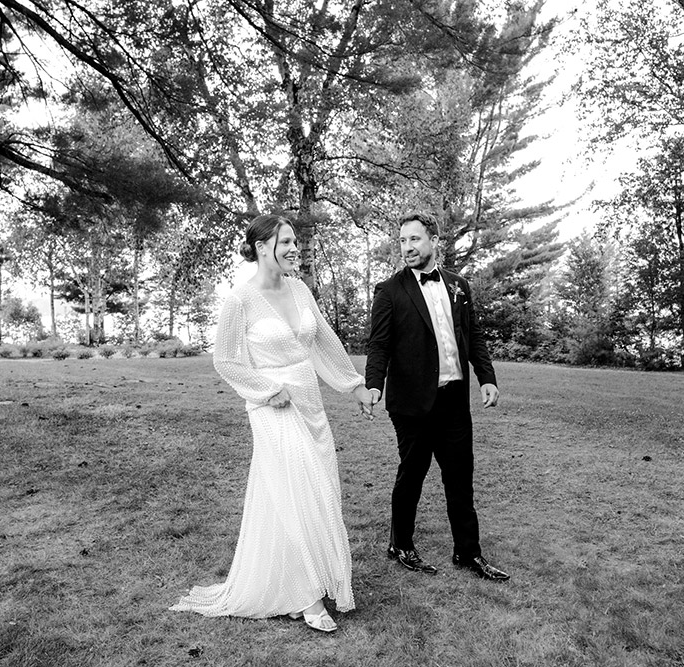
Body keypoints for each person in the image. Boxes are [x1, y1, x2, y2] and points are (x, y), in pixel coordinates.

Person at [171, 214, 374, 633]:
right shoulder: (240, 301)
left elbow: (323, 341)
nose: (294, 248)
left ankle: (307, 576)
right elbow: (225, 360)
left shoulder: (300, 289)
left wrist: (354, 387)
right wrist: (265, 389)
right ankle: (308, 598)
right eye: (285, 241)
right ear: (262, 247)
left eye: (295, 241)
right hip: (271, 408)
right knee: (294, 490)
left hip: (309, 403)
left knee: (317, 489)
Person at [364, 211, 510, 581]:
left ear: (433, 241)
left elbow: (473, 336)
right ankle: (401, 544)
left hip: (455, 400)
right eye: (402, 240)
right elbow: (378, 345)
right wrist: (373, 385)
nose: (407, 247)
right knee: (411, 475)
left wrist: (486, 378)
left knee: (461, 478)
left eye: (414, 239)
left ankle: (468, 553)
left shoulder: (459, 285)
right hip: (412, 403)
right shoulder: (390, 290)